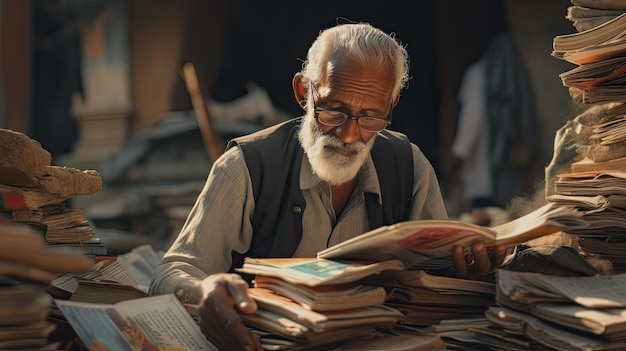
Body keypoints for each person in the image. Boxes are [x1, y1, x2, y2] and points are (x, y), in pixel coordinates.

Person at [149, 22, 507, 351]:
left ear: (391, 104)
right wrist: (202, 289)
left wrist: (462, 278)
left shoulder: (409, 168)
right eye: (333, 110)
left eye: (370, 116)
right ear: (303, 92)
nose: (349, 134)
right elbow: (169, 275)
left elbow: (432, 285)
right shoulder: (247, 167)